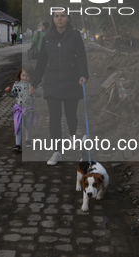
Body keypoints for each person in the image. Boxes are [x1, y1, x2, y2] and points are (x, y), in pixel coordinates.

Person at [30, 9, 89, 165]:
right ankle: (57, 152)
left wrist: (84, 74)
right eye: (57, 16)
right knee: (54, 118)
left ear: (68, 18)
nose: (60, 18)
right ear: (53, 19)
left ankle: (72, 135)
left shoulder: (75, 36)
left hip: (71, 81)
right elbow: (41, 61)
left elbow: (82, 57)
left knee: (71, 115)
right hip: (52, 82)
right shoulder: (47, 37)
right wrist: (34, 84)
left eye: (62, 16)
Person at [5, 64, 39, 153]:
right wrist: (9, 91)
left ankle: (28, 140)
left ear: (31, 76)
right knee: (19, 126)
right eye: (23, 75)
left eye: (27, 76)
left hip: (29, 109)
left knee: (28, 126)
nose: (25, 77)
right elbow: (13, 95)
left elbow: (39, 94)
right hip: (19, 110)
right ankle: (18, 144)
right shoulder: (16, 84)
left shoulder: (32, 84)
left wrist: (35, 91)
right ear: (20, 75)